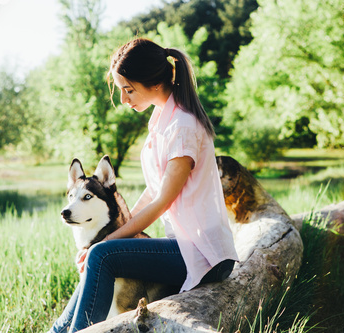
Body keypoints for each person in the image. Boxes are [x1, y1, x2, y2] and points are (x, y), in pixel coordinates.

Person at [48, 38, 238, 332]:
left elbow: (162, 201)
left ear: (152, 82)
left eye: (128, 89)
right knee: (101, 253)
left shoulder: (182, 126)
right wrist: (119, 229)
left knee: (101, 254)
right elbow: (153, 190)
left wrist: (108, 241)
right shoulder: (162, 118)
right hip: (186, 247)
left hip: (204, 253)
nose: (124, 99)